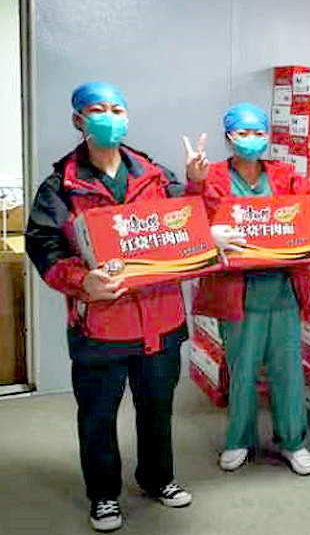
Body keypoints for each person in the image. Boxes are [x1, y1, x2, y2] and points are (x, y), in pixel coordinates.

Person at [25, 82, 192, 532]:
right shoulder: (60, 187)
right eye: (98, 109)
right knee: (98, 416)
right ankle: (103, 495)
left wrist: (199, 190)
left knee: (157, 409)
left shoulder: (156, 176)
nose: (109, 117)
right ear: (78, 120)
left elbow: (190, 225)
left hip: (160, 319)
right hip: (99, 326)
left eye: (117, 109)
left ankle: (158, 478)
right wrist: (82, 281)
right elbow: (43, 246)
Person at [184, 103, 310, 476]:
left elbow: (309, 205)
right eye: (243, 133)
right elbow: (192, 218)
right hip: (238, 292)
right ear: (229, 137)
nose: (251, 139)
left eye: (258, 132)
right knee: (241, 371)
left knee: (287, 371)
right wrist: (195, 181)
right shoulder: (213, 176)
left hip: (282, 289)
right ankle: (239, 440)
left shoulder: (284, 175)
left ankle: (293, 441)